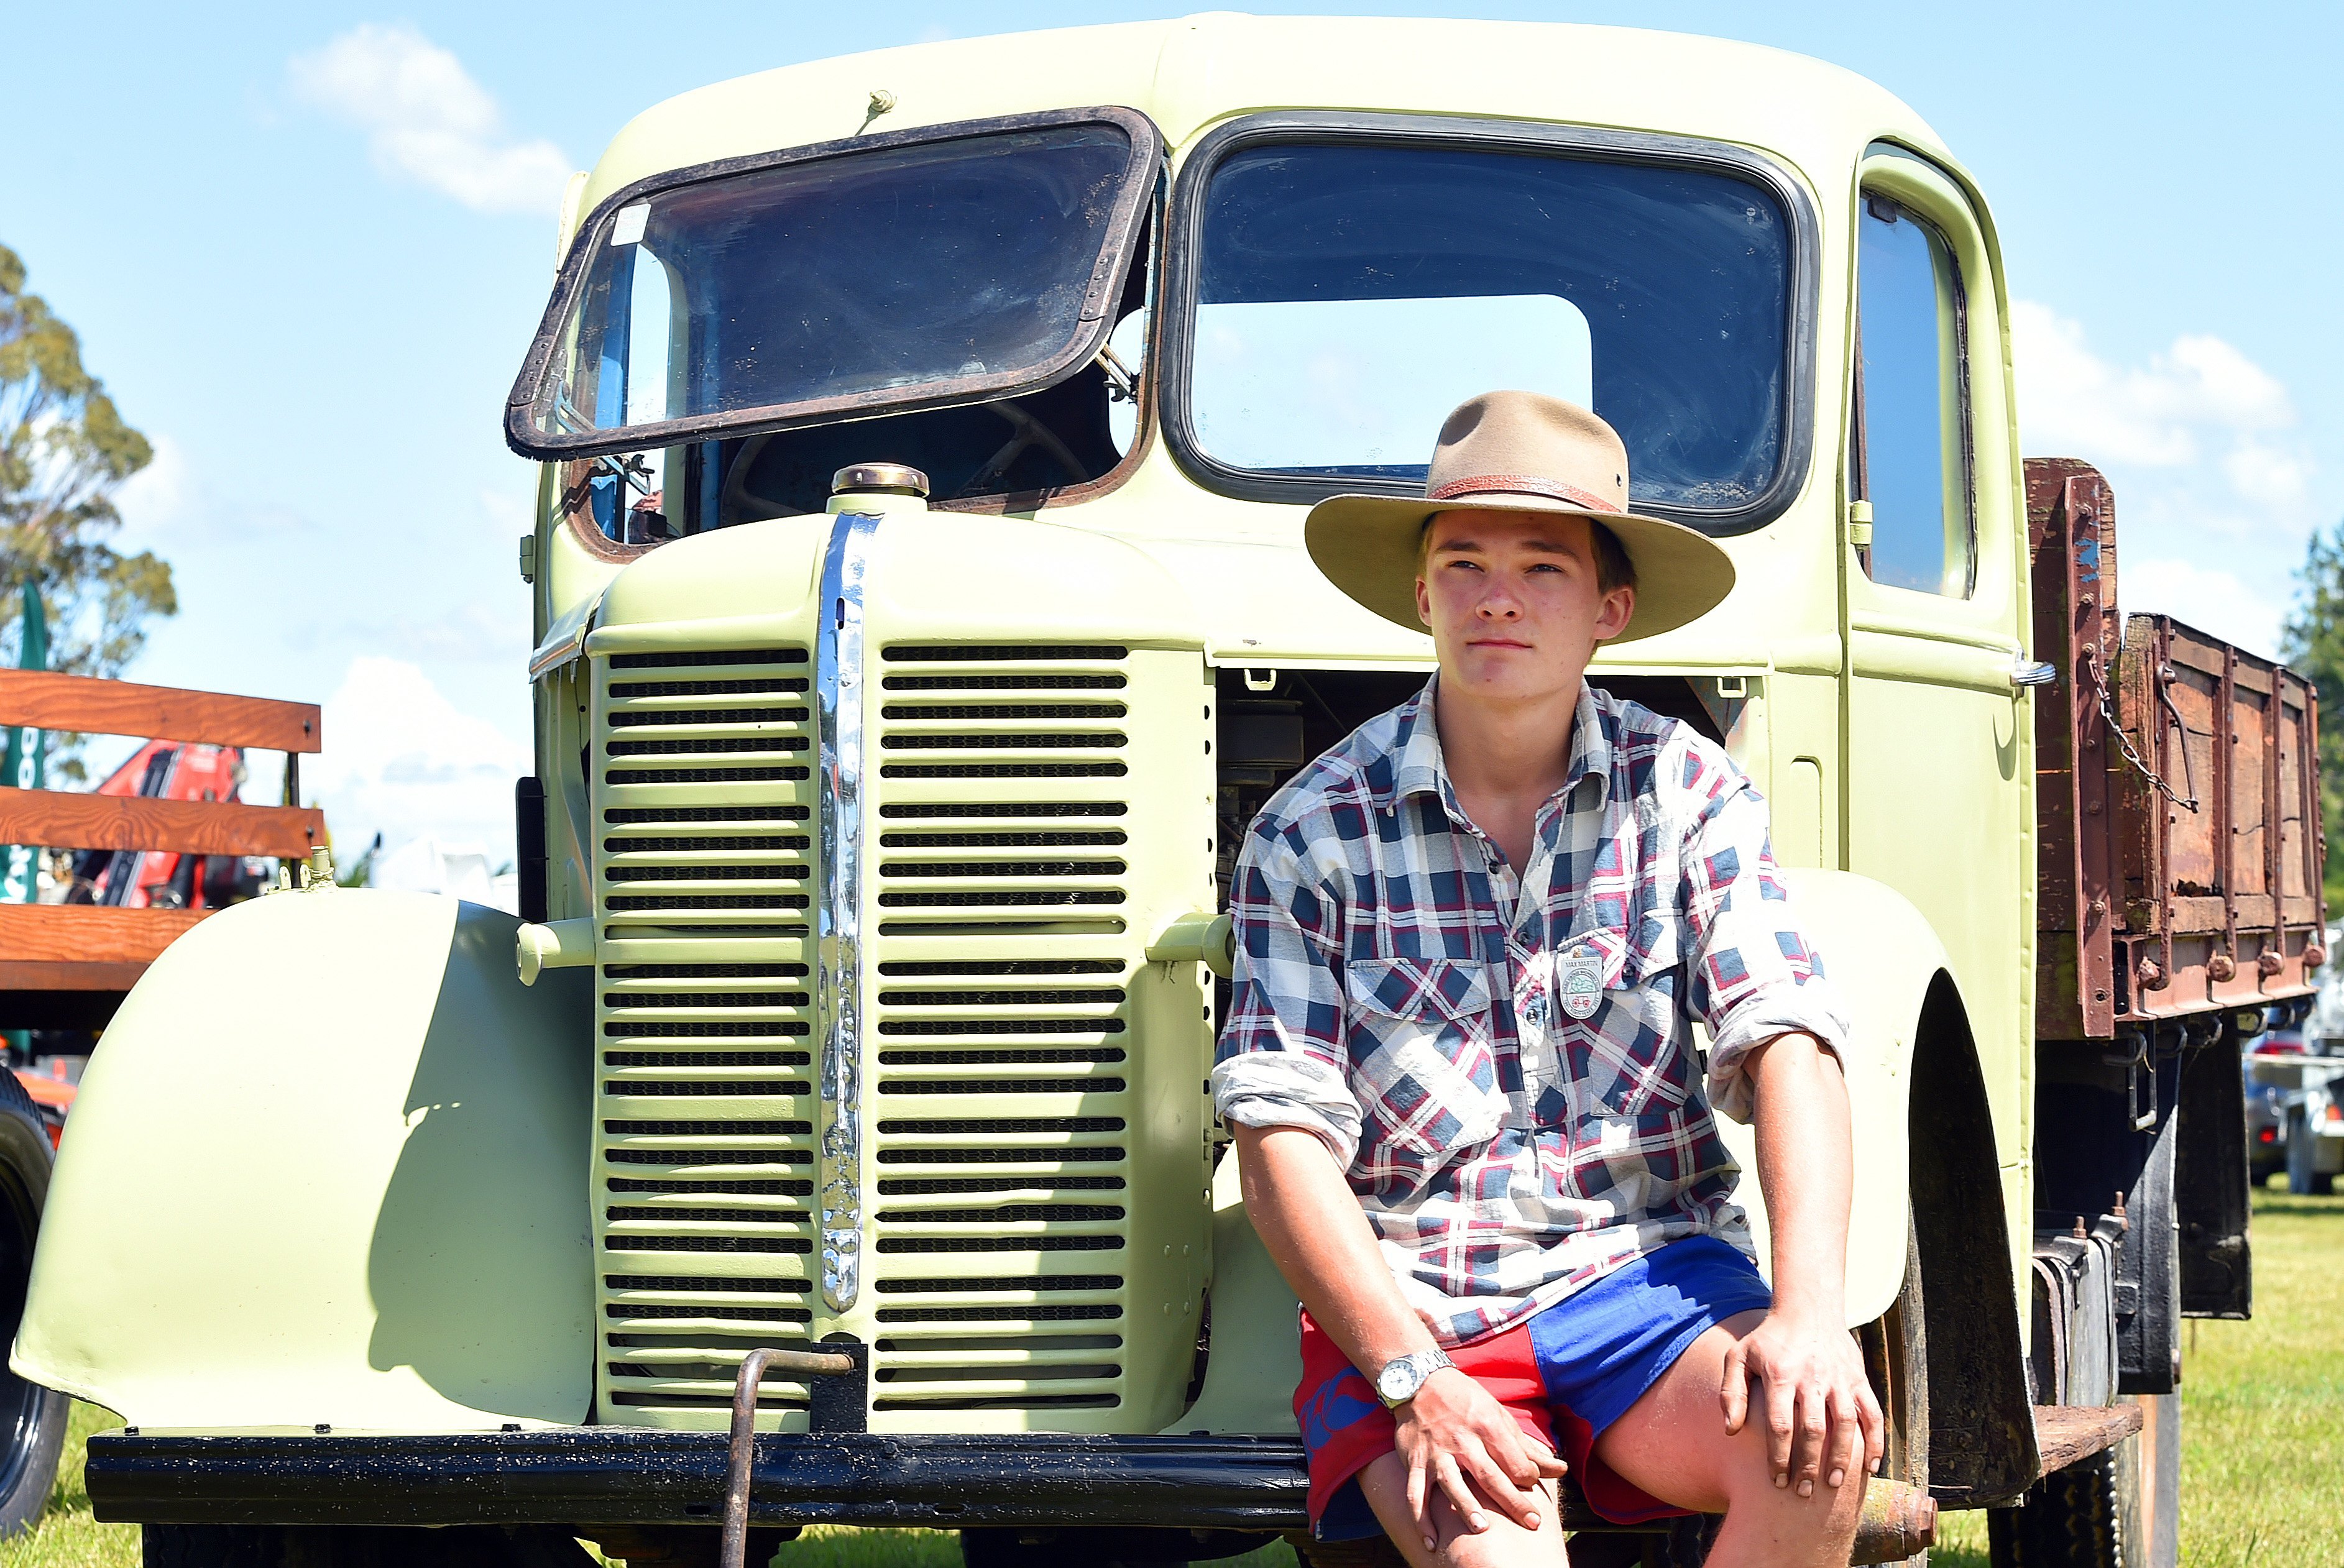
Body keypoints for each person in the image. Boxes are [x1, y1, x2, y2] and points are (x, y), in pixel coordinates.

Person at [1213, 392, 1879, 1568]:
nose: (1497, 595)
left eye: (1542, 566)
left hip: (1648, 1275)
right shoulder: (1309, 833)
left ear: (1612, 610)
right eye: (1462, 561)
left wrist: (1811, 1316)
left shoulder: (1689, 792)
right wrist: (1410, 1376)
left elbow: (1789, 1040)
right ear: (1422, 596)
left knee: (1815, 1451)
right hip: (1420, 1299)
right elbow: (1278, 1138)